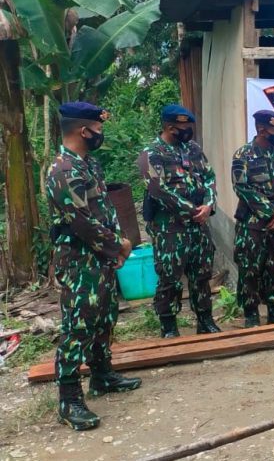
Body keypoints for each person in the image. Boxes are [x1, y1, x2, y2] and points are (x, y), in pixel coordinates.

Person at [47, 102, 141, 431]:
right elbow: (81, 222)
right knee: (78, 327)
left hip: (100, 256)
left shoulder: (89, 164)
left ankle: (101, 375)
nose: (101, 135)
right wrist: (119, 246)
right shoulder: (63, 171)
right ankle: (69, 399)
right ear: (82, 130)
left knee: (104, 315)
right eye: (98, 130)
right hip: (79, 260)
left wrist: (115, 247)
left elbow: (105, 211)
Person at [137, 105, 220, 338]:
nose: (187, 132)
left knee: (202, 273)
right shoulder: (150, 154)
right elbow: (157, 189)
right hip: (170, 228)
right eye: (183, 128)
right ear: (170, 127)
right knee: (170, 278)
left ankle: (205, 320)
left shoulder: (193, 149)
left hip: (199, 224)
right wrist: (191, 209)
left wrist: (209, 204)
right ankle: (169, 326)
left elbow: (210, 177)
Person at [231, 110, 274, 327]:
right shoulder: (243, 155)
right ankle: (251, 314)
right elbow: (241, 187)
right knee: (250, 269)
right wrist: (270, 211)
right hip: (252, 224)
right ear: (261, 129)